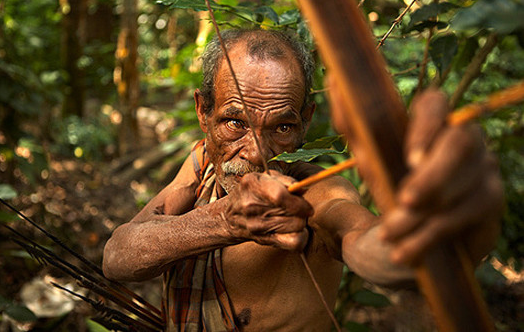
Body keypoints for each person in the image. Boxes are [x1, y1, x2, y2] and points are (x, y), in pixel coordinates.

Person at [102, 29, 503, 331]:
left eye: (281, 127)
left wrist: (431, 239)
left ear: (305, 120)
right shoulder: (204, 160)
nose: (256, 151)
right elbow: (117, 257)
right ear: (202, 110)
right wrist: (224, 221)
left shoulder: (317, 196)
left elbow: (366, 242)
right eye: (235, 122)